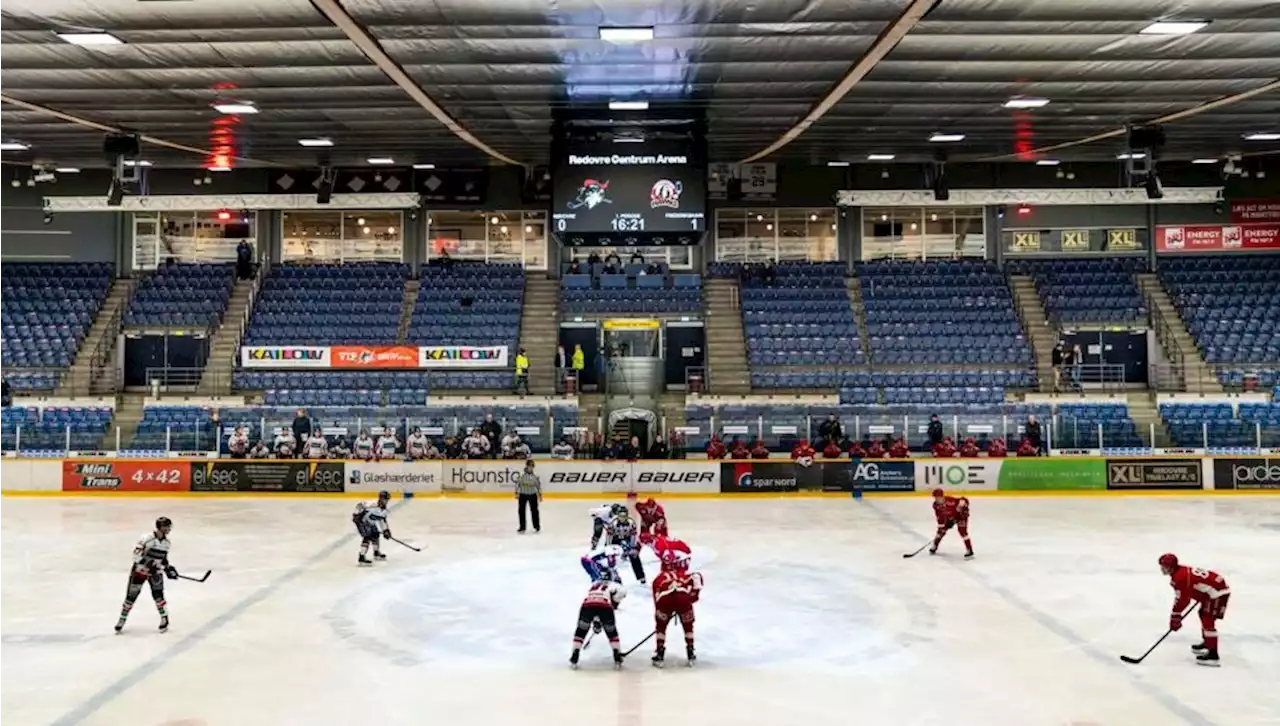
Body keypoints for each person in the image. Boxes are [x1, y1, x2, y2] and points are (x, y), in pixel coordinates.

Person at [1160, 553, 1230, 666]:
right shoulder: (1179, 572)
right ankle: (1208, 644)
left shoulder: (1180, 577)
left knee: (1208, 619)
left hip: (1217, 593)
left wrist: (1175, 615)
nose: (1162, 569)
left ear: (1171, 567)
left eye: (1164, 566)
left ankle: (1213, 655)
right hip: (1212, 591)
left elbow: (1184, 599)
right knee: (1203, 614)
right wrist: (1201, 592)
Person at [115, 516, 178, 634]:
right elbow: (136, 556)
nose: (169, 529)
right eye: (167, 527)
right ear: (161, 527)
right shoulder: (146, 538)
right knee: (131, 597)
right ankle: (122, 620)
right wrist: (150, 565)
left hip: (155, 573)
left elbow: (163, 558)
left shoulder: (167, 543)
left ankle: (164, 618)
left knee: (158, 596)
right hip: (140, 571)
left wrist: (168, 568)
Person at [651, 547, 704, 667]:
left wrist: (661, 618)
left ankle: (660, 654)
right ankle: (690, 652)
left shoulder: (658, 579)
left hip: (665, 600)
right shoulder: (682, 575)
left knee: (661, 627)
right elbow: (697, 577)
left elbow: (656, 600)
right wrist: (690, 599)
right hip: (683, 599)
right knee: (688, 626)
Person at [569, 573, 627, 669]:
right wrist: (614, 605)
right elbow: (620, 595)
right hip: (604, 606)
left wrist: (597, 621)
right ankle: (617, 656)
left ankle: (575, 655)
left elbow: (594, 604)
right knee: (611, 632)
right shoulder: (616, 585)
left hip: (587, 606)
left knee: (581, 631)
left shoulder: (594, 585)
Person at [929, 488, 973, 558]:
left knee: (963, 532)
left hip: (962, 517)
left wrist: (962, 504)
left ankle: (969, 549)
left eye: (938, 497)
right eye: (935, 497)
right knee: (941, 532)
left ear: (942, 496)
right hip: (950, 517)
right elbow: (939, 517)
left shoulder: (950, 501)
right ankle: (935, 545)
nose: (936, 499)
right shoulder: (935, 505)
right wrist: (942, 527)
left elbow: (964, 500)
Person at [606, 509, 646, 584]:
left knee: (634, 556)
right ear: (618, 516)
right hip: (615, 541)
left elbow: (633, 536)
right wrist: (609, 547)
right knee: (609, 558)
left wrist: (632, 547)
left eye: (624, 516)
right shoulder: (612, 523)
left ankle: (641, 577)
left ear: (627, 516)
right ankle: (609, 576)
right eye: (620, 516)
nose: (622, 518)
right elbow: (609, 536)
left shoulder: (632, 523)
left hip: (627, 540)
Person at [352, 490, 391, 565]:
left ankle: (376, 553)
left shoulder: (384, 511)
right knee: (367, 536)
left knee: (375, 534)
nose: (386, 501)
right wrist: (356, 515)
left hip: (369, 522)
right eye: (384, 499)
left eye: (387, 499)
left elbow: (382, 521)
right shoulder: (372, 504)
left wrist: (386, 530)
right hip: (361, 521)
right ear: (380, 498)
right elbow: (359, 505)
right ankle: (361, 557)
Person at [515, 459, 542, 534]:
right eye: (530, 466)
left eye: (532, 466)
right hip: (523, 495)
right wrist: (516, 492)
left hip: (532, 495)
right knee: (521, 511)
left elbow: (538, 485)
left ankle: (536, 526)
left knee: (534, 511)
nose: (531, 468)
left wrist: (540, 494)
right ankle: (522, 527)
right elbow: (517, 484)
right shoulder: (522, 475)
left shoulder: (535, 476)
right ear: (527, 466)